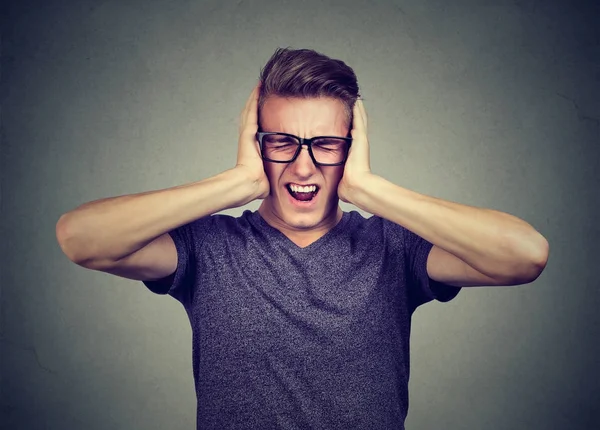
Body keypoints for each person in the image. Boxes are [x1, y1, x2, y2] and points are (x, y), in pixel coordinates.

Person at [56, 47, 549, 429]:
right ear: (259, 146)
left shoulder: (394, 249)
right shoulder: (210, 248)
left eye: (327, 144)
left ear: (350, 150)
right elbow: (81, 239)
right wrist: (236, 183)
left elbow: (525, 257)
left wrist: (369, 189)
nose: (304, 165)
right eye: (282, 141)